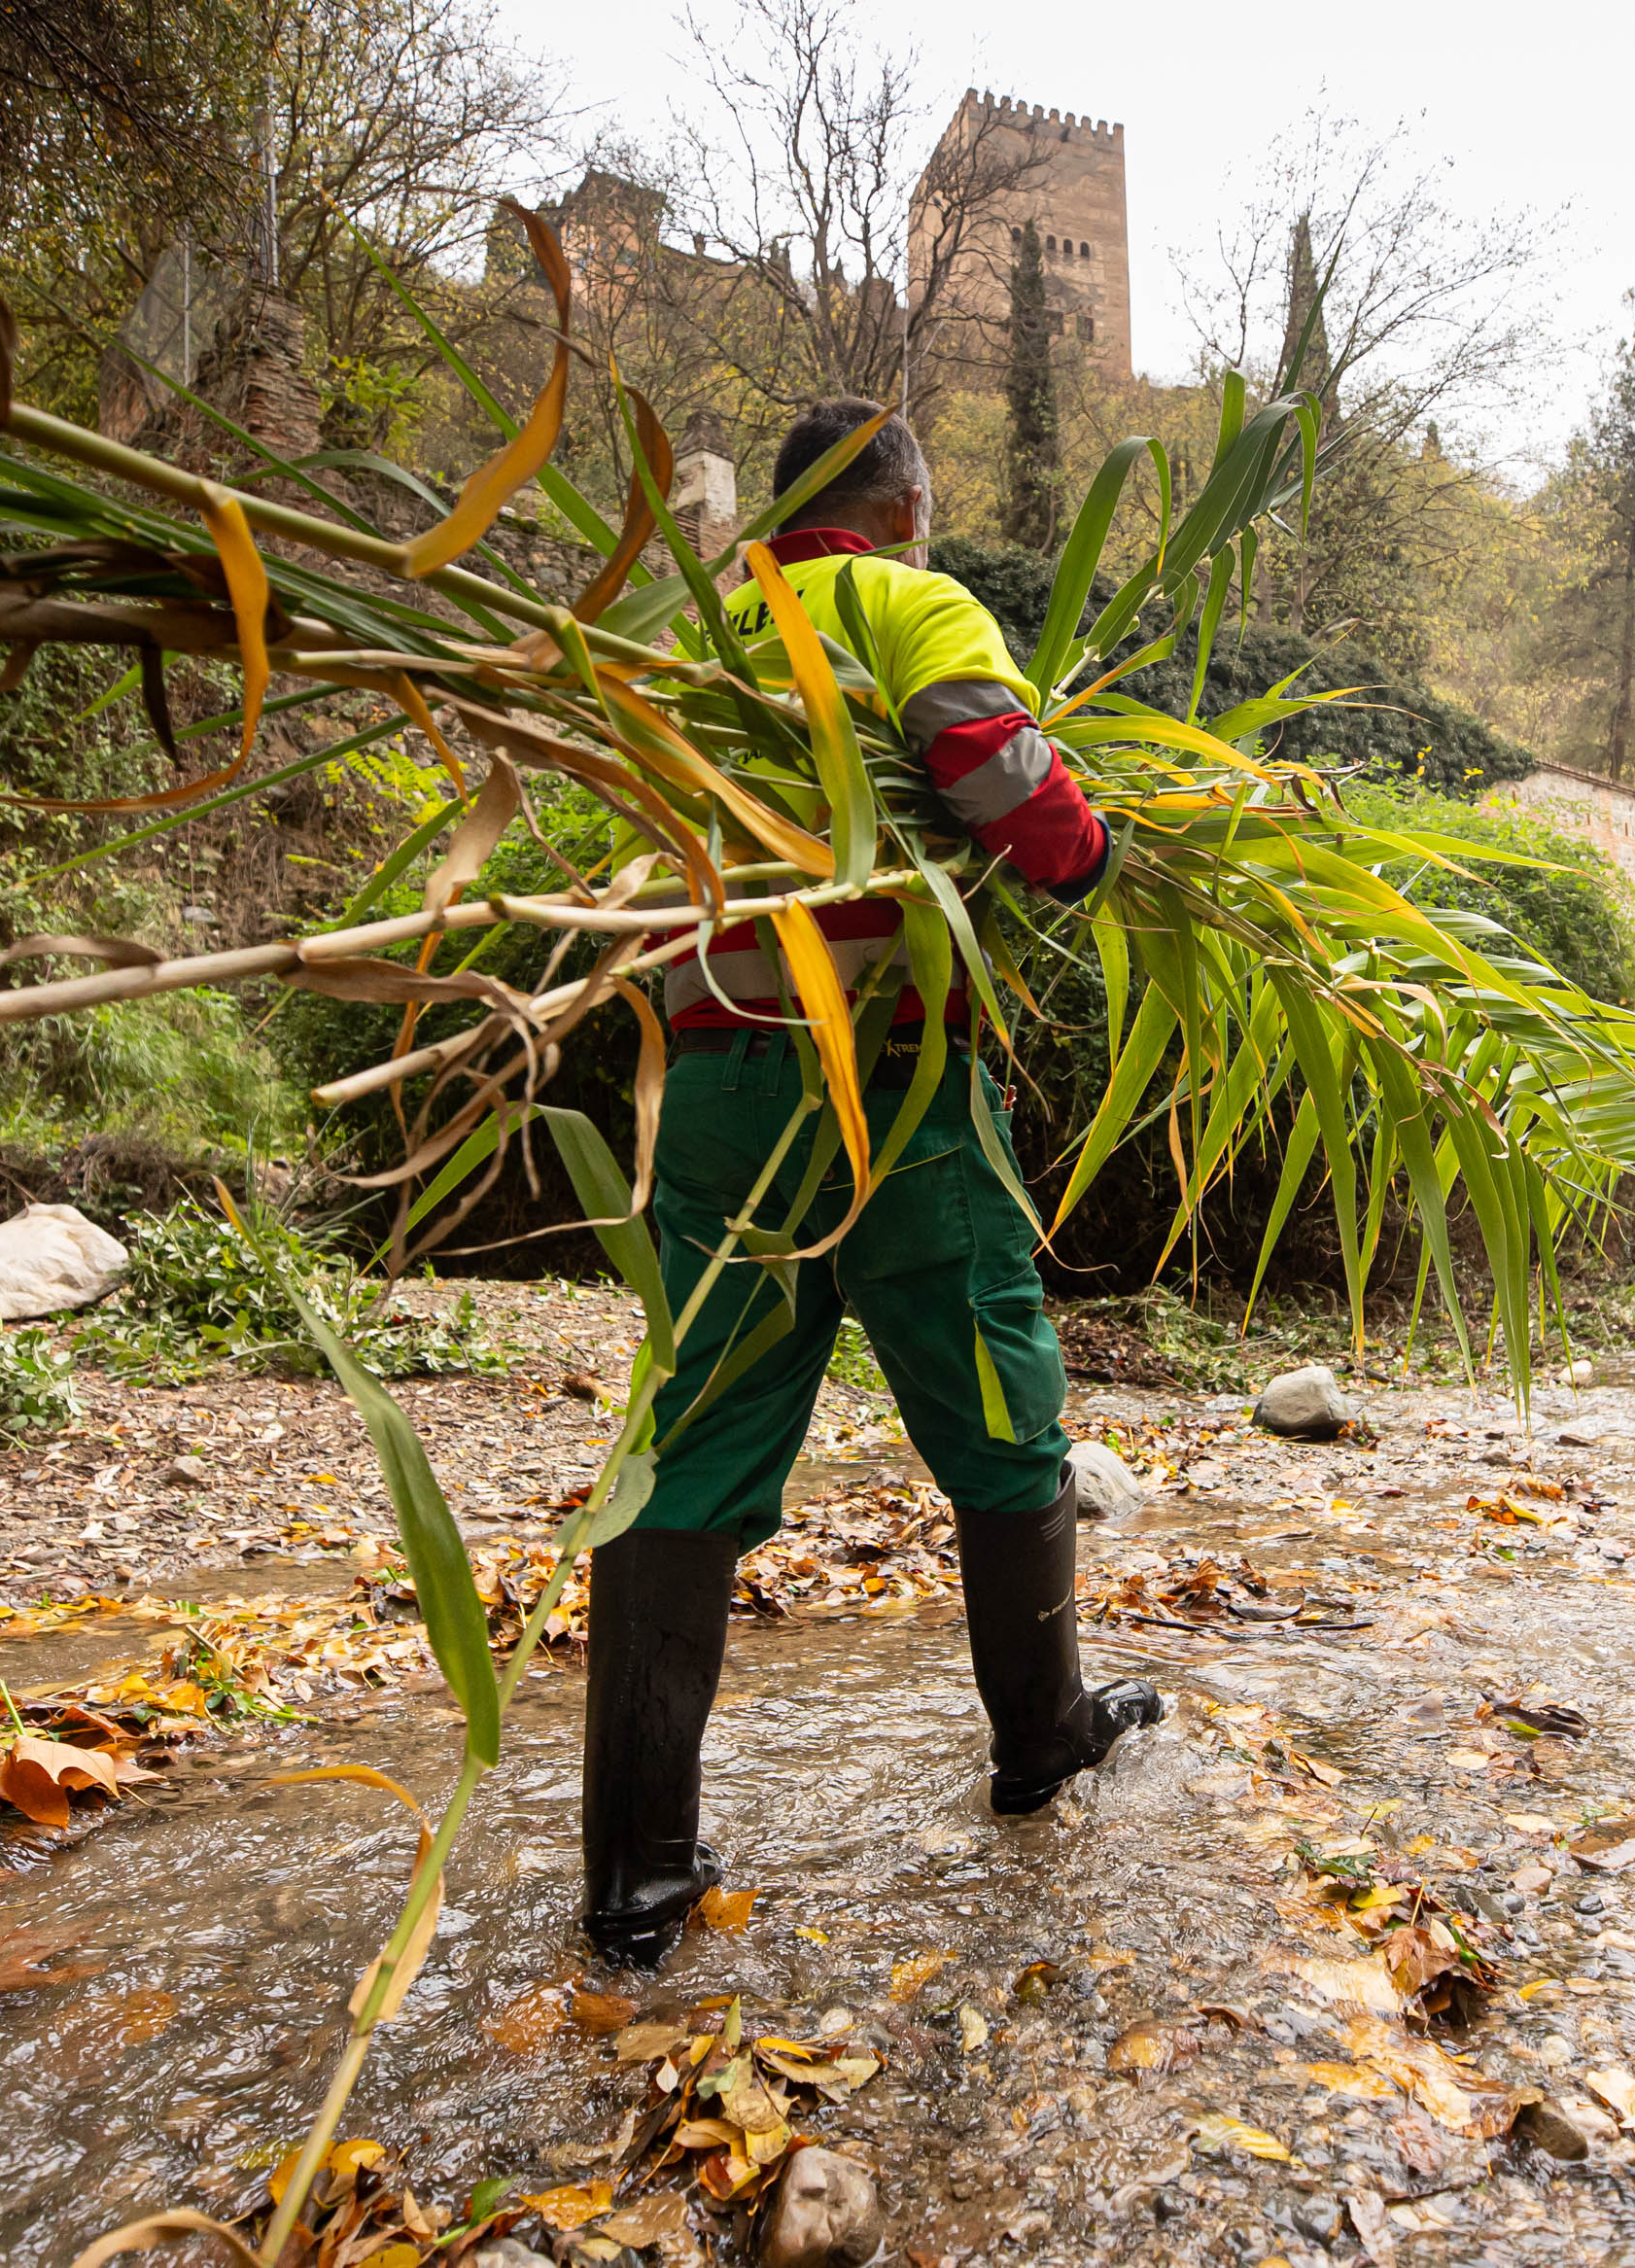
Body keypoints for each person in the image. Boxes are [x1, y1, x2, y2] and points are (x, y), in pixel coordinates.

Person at [579, 398, 1163, 1968]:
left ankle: (636, 1871)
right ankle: (1041, 1738)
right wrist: (1091, 854)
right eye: (928, 503)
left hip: (709, 1076)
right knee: (998, 1392)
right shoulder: (907, 598)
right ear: (903, 502)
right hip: (894, 1077)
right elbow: (991, 764)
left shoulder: (698, 635)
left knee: (689, 1436)